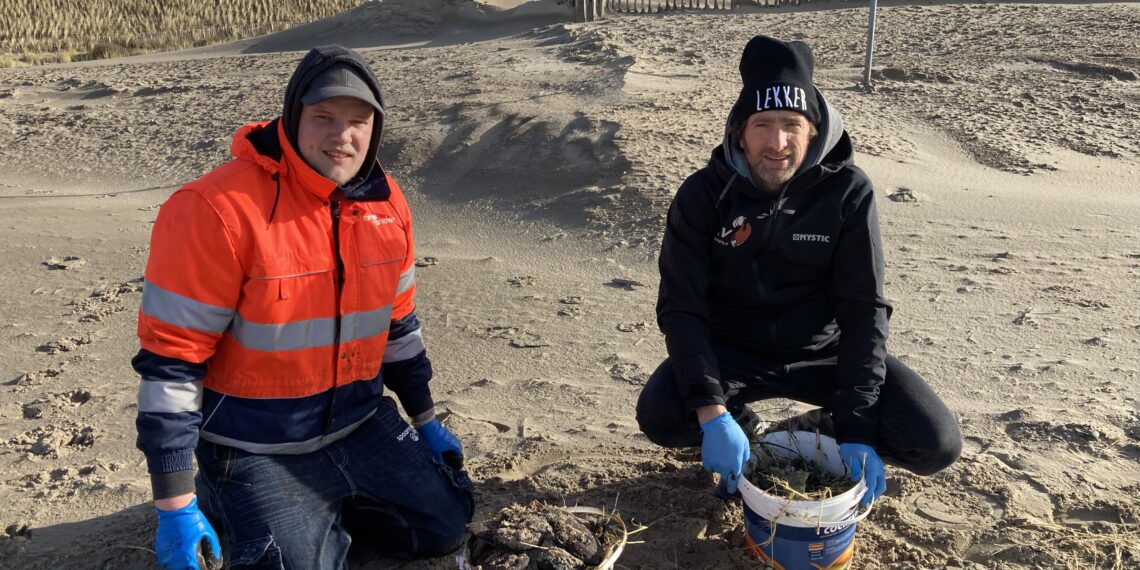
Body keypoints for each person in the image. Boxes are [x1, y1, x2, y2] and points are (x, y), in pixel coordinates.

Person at [133, 45, 474, 570]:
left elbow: (398, 326)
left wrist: (424, 419)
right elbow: (172, 364)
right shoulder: (213, 210)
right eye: (324, 118)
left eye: (359, 121)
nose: (343, 135)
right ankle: (230, 500)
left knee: (448, 524)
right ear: (293, 118)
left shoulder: (388, 206)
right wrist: (174, 504)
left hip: (358, 421)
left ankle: (333, 506)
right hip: (253, 443)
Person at [636, 35, 961, 504]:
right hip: (735, 352)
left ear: (813, 131)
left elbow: (863, 309)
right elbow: (681, 308)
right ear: (738, 132)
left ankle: (820, 431)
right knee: (662, 413)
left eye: (791, 123)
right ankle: (747, 433)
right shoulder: (702, 195)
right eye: (762, 124)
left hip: (823, 353)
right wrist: (714, 416)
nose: (777, 142)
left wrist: (856, 426)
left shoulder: (849, 191)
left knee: (935, 442)